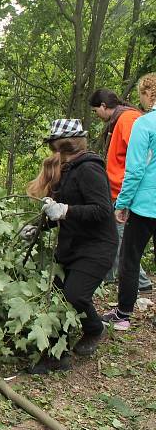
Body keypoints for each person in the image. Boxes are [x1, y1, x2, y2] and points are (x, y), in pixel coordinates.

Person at [24, 118, 117, 371]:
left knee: (74, 296)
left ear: (65, 146)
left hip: (97, 247)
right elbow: (60, 212)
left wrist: (65, 210)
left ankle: (94, 329)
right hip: (72, 246)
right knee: (55, 297)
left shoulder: (89, 169)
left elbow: (101, 210)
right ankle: (57, 355)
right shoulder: (67, 170)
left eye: (54, 146)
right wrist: (39, 227)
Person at [104, 74, 156, 331]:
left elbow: (134, 170)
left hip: (146, 205)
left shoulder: (145, 124)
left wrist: (122, 203)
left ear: (148, 94)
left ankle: (123, 314)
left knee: (130, 258)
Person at [88, 88, 152, 292]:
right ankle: (109, 277)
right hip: (120, 190)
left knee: (123, 243)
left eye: (95, 110)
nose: (96, 115)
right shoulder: (121, 120)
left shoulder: (129, 120)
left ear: (104, 106)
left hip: (129, 193)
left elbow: (139, 161)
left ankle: (141, 284)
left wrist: (126, 196)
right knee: (115, 237)